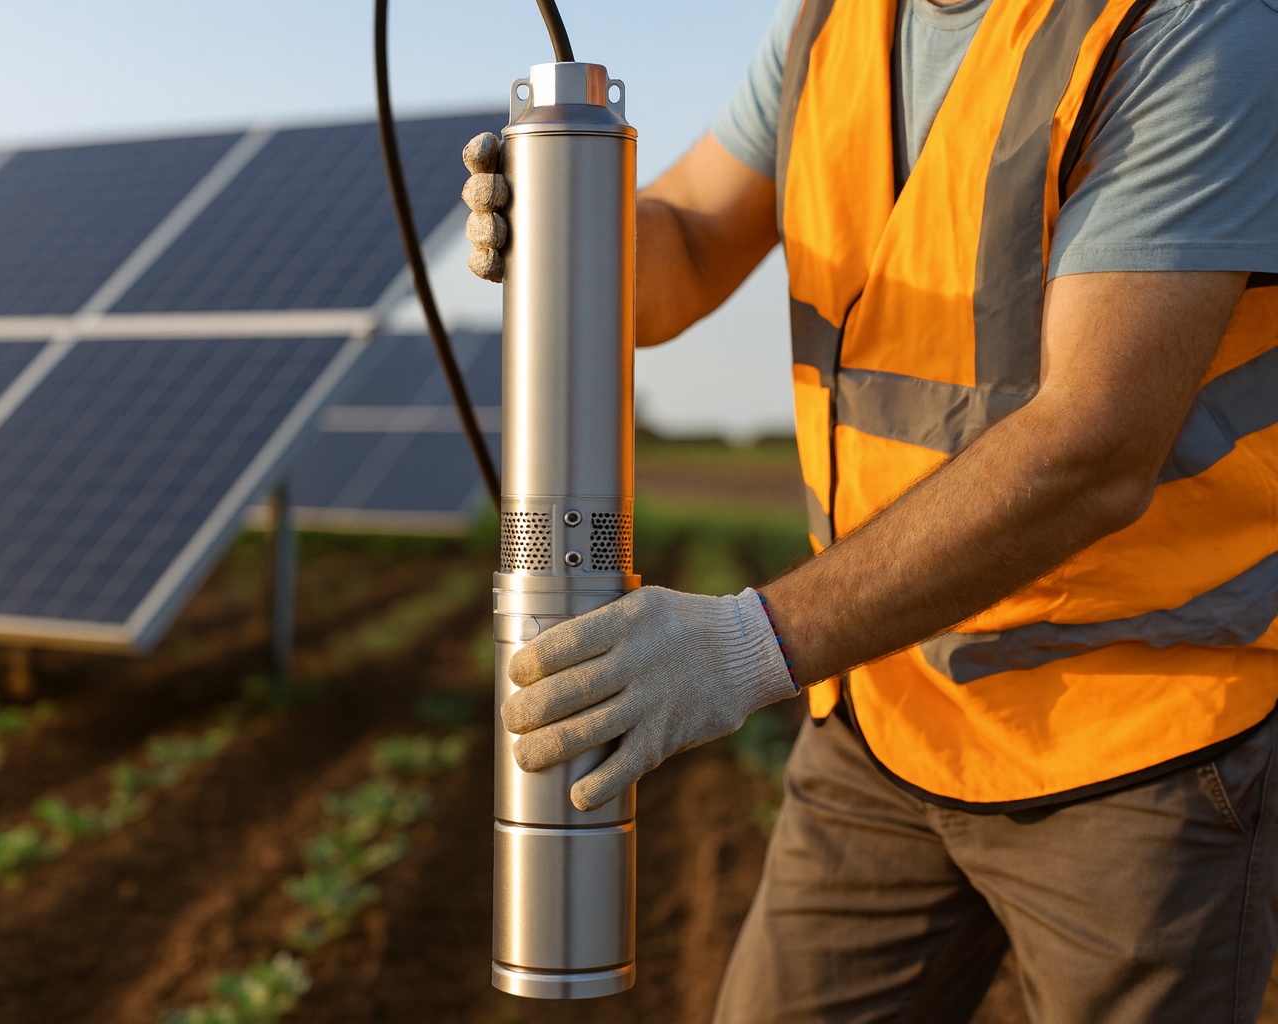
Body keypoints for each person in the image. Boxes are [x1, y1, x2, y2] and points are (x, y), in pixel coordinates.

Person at [462, 0, 1278, 1019]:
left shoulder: (1184, 26)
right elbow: (685, 252)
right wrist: (574, 232)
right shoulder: (833, 26)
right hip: (886, 706)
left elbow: (1094, 446)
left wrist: (745, 644)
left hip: (1130, 742)